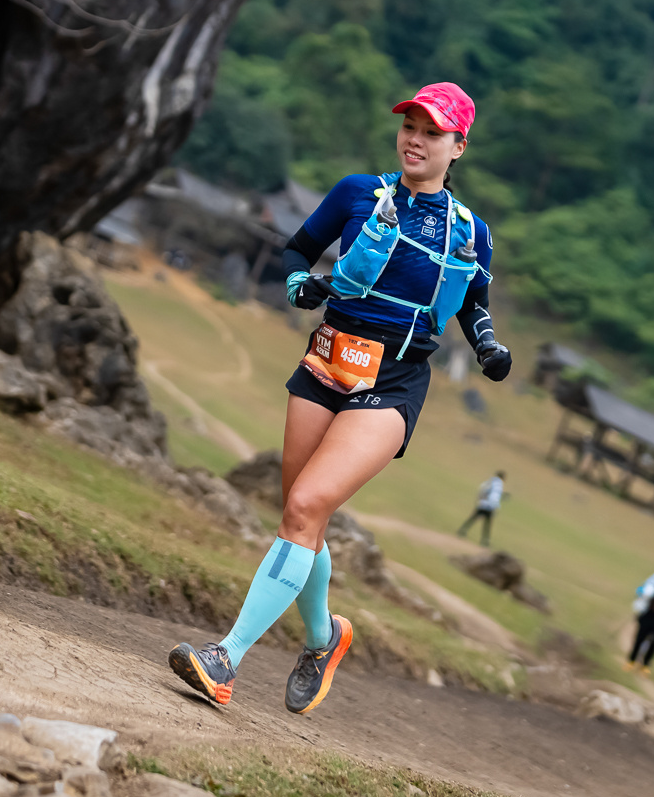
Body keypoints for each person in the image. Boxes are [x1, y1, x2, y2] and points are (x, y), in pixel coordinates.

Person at [168, 83, 508, 716]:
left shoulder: (471, 231)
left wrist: (487, 345)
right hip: (328, 357)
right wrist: (299, 282)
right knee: (302, 519)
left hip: (395, 381)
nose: (415, 139)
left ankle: (224, 659)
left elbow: (473, 302)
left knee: (305, 506)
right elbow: (298, 248)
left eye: (432, 132)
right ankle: (324, 638)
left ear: (459, 146)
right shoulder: (357, 192)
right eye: (410, 125)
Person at [457, 470, 506, 546]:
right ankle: (485, 540)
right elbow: (494, 496)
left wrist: (480, 500)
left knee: (473, 518)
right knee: (487, 524)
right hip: (489, 506)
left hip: (482, 503)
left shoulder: (491, 481)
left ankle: (462, 530)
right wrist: (495, 505)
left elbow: (482, 489)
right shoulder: (498, 484)